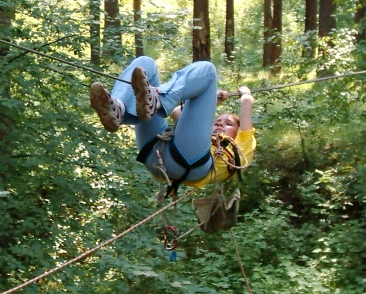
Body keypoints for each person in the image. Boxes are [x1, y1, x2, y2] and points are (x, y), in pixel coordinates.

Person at [89, 56, 255, 194]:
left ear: (238, 132)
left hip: (191, 163)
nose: (220, 123)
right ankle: (119, 109)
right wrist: (213, 100)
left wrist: (245, 95)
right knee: (144, 63)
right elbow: (177, 113)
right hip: (156, 152)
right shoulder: (200, 138)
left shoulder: (241, 145)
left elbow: (247, 104)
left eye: (229, 123)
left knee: (208, 70)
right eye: (218, 120)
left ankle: (158, 100)